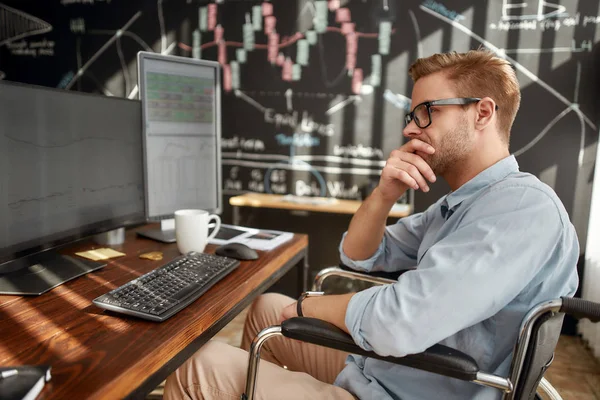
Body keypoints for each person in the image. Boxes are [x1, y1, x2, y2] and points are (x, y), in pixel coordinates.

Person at [164, 49, 579, 400]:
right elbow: (360, 255)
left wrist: (308, 305)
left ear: (483, 112)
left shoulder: (520, 210)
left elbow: (400, 323)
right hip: (392, 370)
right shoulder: (464, 204)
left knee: (198, 367)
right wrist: (384, 195)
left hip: (409, 388)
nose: (409, 128)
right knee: (266, 310)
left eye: (426, 113)